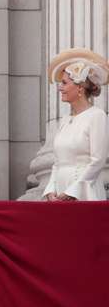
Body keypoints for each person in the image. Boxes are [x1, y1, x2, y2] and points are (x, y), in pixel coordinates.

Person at [43, 48, 109, 201]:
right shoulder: (65, 120)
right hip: (60, 193)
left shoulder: (96, 116)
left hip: (85, 193)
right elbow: (57, 162)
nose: (60, 88)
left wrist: (73, 191)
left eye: (65, 83)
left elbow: (98, 160)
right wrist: (50, 190)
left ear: (80, 87)